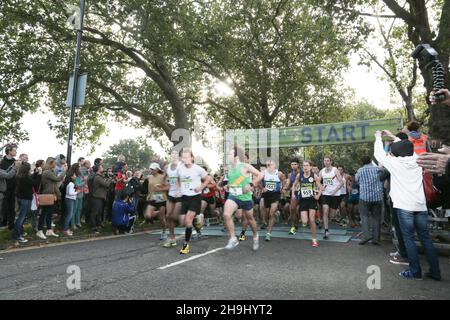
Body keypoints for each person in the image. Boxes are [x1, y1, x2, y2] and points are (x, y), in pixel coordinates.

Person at [374, 130, 441, 281]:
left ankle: (415, 272)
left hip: (404, 207)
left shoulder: (395, 163)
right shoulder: (417, 159)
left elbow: (379, 154)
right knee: (426, 239)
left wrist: (378, 137)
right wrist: (393, 136)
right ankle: (435, 272)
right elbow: (406, 145)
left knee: (409, 239)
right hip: (420, 206)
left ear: (398, 153)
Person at [223, 147, 263, 250]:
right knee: (226, 214)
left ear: (236, 156)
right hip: (234, 196)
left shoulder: (245, 166)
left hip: (245, 197)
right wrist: (228, 186)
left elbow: (260, 175)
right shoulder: (229, 168)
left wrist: (251, 184)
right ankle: (233, 238)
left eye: (230, 155)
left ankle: (255, 236)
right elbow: (234, 181)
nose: (228, 157)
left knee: (250, 220)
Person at [176, 148, 213, 254]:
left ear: (192, 158)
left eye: (187, 157)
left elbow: (208, 178)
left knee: (188, 221)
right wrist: (178, 189)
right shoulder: (180, 168)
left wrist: (201, 187)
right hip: (184, 198)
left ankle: (186, 245)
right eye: (183, 157)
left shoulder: (198, 169)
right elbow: (178, 179)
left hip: (195, 198)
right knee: (182, 221)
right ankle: (198, 217)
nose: (185, 159)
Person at [355, 156, 384, 245]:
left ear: (362, 162)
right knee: (376, 218)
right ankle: (376, 239)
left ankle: (366, 236)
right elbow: (383, 177)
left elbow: (356, 181)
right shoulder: (378, 169)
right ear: (370, 161)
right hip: (377, 197)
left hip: (364, 197)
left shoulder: (360, 171)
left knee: (364, 217)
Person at [294, 160, 322, 247]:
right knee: (305, 221)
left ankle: (314, 240)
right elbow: (294, 185)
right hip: (303, 201)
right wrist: (294, 193)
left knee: (312, 219)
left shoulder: (314, 176)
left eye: (307, 166)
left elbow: (321, 187)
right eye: (304, 166)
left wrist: (317, 196)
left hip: (312, 200)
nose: (305, 167)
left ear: (310, 167)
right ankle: (308, 223)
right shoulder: (299, 175)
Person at [37, 157, 66, 240]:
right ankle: (39, 231)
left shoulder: (51, 171)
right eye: (54, 163)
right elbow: (58, 179)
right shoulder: (47, 172)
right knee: (44, 214)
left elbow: (54, 184)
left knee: (50, 213)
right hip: (47, 194)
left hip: (52, 194)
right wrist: (64, 171)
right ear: (50, 163)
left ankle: (49, 230)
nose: (56, 164)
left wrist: (58, 194)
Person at [260, 159, 286, 242]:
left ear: (274, 165)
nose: (269, 166)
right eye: (267, 165)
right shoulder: (263, 173)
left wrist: (282, 188)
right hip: (266, 195)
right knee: (268, 214)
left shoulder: (279, 173)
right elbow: (258, 182)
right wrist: (262, 188)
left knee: (271, 213)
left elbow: (284, 181)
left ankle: (268, 233)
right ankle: (275, 215)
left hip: (275, 195)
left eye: (270, 165)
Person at [13, 162, 39, 243]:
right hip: (25, 199)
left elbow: (31, 179)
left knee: (21, 217)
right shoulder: (25, 178)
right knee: (21, 218)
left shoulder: (19, 176)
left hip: (20, 198)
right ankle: (17, 236)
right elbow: (35, 183)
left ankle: (20, 232)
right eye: (30, 169)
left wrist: (35, 173)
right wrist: (39, 175)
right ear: (27, 169)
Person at [319, 157, 343, 239]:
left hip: (335, 195)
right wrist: (319, 188)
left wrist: (334, 191)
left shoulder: (335, 170)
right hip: (325, 194)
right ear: (323, 162)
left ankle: (330, 219)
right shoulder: (321, 171)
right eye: (325, 160)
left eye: (328, 160)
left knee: (332, 215)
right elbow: (318, 182)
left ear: (331, 162)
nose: (326, 162)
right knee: (325, 211)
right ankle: (326, 230)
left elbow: (341, 182)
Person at [143, 162, 169, 240]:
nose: (151, 170)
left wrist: (160, 189)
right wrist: (148, 194)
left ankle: (164, 232)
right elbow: (149, 187)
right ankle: (158, 212)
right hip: (152, 198)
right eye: (151, 169)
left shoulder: (162, 177)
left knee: (161, 218)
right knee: (147, 215)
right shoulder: (149, 177)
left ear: (157, 169)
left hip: (162, 199)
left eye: (153, 169)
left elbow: (168, 187)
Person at [163, 150, 183, 248]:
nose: (174, 155)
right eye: (172, 154)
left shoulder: (181, 166)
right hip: (171, 194)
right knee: (168, 216)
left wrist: (180, 190)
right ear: (170, 156)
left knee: (175, 217)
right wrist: (162, 185)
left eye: (176, 153)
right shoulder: (167, 167)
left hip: (180, 195)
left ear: (178, 156)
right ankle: (172, 238)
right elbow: (165, 179)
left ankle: (193, 218)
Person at [90, 165, 114, 234]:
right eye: (101, 167)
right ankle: (93, 227)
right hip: (96, 197)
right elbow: (106, 184)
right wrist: (110, 177)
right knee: (94, 213)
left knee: (99, 212)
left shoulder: (100, 176)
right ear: (98, 169)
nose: (103, 168)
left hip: (100, 197)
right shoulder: (97, 177)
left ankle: (98, 225)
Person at [1, 143, 18, 229]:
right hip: (4, 188)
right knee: (4, 207)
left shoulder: (15, 161)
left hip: (13, 187)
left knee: (12, 207)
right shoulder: (2, 162)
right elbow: (6, 174)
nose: (16, 152)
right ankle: (4, 222)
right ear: (9, 151)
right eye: (14, 150)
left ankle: (11, 224)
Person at [284, 159, 301, 235]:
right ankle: (293, 226)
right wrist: (285, 188)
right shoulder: (290, 174)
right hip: (294, 193)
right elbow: (288, 183)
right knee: (292, 209)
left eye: (295, 164)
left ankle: (298, 222)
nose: (293, 166)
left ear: (298, 165)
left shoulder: (302, 173)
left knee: (297, 210)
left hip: (303, 194)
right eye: (292, 164)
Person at [64, 172, 78, 237]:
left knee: (68, 214)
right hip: (70, 199)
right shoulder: (71, 184)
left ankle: (66, 228)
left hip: (69, 199)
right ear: (71, 177)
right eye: (74, 175)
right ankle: (65, 230)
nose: (75, 176)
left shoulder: (70, 183)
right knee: (69, 214)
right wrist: (77, 192)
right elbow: (70, 193)